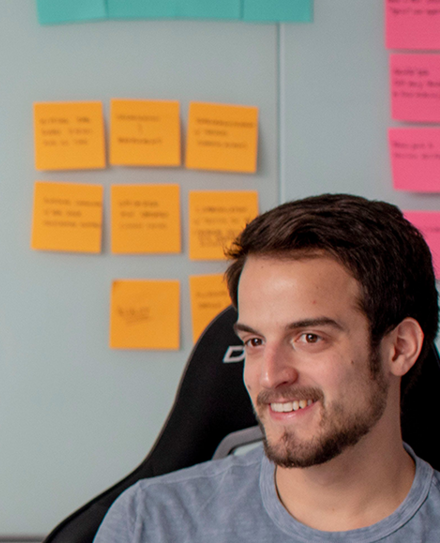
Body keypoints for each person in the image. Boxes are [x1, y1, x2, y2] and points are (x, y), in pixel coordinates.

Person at [96, 194, 440, 542]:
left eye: (309, 337)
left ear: (399, 347)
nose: (269, 376)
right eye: (255, 342)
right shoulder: (149, 524)